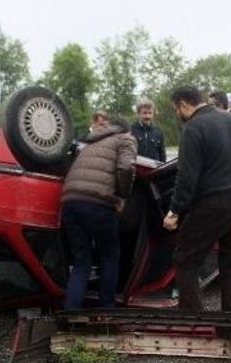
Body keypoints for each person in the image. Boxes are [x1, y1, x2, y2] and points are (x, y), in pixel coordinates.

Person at [163, 86, 231, 312]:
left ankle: (195, 323)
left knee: (185, 260)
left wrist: (175, 211)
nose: (177, 114)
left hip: (213, 204)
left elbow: (187, 177)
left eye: (176, 109)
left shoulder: (193, 128)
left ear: (184, 104)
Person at [60, 116, 137, 309]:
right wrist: (123, 196)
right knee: (109, 257)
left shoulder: (90, 142)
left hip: (70, 201)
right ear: (127, 130)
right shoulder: (126, 139)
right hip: (98, 203)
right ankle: (106, 312)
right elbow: (126, 167)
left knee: (81, 262)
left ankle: (70, 316)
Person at [131, 98, 166, 162]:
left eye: (150, 113)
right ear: (138, 114)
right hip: (137, 169)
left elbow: (162, 154)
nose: (148, 116)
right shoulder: (131, 130)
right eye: (144, 113)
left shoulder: (158, 131)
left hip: (155, 169)